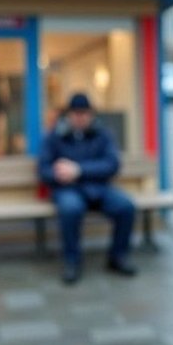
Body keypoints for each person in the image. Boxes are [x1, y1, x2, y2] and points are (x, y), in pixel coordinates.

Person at [38, 93, 137, 285]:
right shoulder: (54, 136)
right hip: (67, 189)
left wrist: (79, 170)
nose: (80, 117)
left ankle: (118, 257)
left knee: (126, 207)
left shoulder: (103, 135)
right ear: (69, 115)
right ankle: (72, 261)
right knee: (71, 209)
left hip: (98, 188)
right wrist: (59, 174)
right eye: (76, 113)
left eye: (84, 113)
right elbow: (44, 169)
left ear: (91, 114)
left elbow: (112, 164)